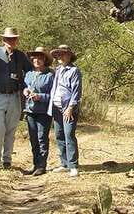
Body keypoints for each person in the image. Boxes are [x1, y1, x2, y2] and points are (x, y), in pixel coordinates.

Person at [0, 27, 32, 171]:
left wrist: (26, 87)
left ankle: (7, 160)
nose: (11, 41)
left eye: (13, 39)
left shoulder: (20, 56)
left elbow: (30, 72)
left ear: (17, 40)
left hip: (14, 96)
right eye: (8, 39)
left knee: (11, 130)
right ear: (3, 40)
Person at [48, 44, 82, 177]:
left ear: (69, 56)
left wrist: (70, 108)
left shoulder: (74, 71)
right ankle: (64, 163)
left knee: (69, 135)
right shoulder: (57, 70)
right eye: (58, 54)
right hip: (56, 107)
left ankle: (73, 165)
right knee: (59, 135)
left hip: (68, 108)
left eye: (63, 54)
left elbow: (76, 92)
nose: (60, 56)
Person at [22, 47, 54, 176]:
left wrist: (40, 97)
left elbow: (54, 95)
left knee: (42, 138)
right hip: (30, 110)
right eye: (35, 57)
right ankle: (35, 165)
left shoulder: (50, 75)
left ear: (45, 60)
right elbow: (25, 87)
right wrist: (25, 91)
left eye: (40, 58)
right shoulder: (29, 74)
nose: (37, 60)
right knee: (33, 138)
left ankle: (42, 165)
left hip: (43, 112)